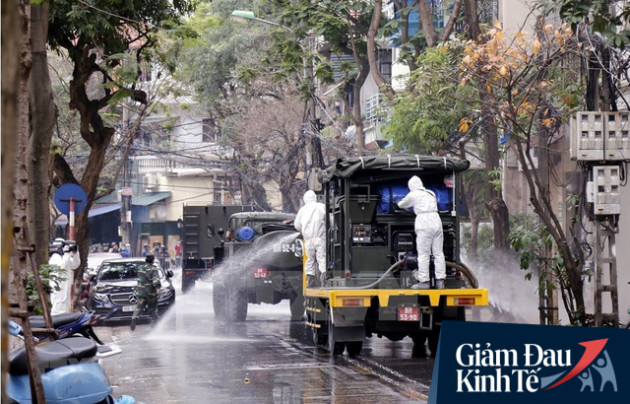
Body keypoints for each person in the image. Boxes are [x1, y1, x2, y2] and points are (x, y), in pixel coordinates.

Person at [397, 175, 446, 289]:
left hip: (424, 222)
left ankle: (424, 282)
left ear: (411, 186)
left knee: (424, 254)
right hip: (436, 220)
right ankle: (440, 281)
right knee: (438, 253)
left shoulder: (413, 194)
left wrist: (398, 202)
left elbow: (402, 205)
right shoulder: (430, 193)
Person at [294, 190, 327, 288]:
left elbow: (297, 225)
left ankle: (310, 279)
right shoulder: (322, 206)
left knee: (310, 259)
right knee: (322, 258)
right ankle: (324, 279)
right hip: (320, 238)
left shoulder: (303, 210)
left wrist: (303, 230)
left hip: (308, 240)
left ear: (305, 199)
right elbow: (330, 220)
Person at [130, 253, 162, 331]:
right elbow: (155, 280)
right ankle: (155, 325)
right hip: (150, 293)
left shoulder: (140, 268)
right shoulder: (153, 269)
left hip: (140, 292)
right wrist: (157, 288)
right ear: (153, 260)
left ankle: (134, 317)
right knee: (152, 309)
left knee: (139, 307)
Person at [50, 243, 81, 314]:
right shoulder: (54, 257)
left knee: (65, 306)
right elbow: (61, 267)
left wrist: (75, 253)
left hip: (66, 286)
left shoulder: (65, 258)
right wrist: (67, 253)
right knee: (58, 307)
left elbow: (75, 265)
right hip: (58, 287)